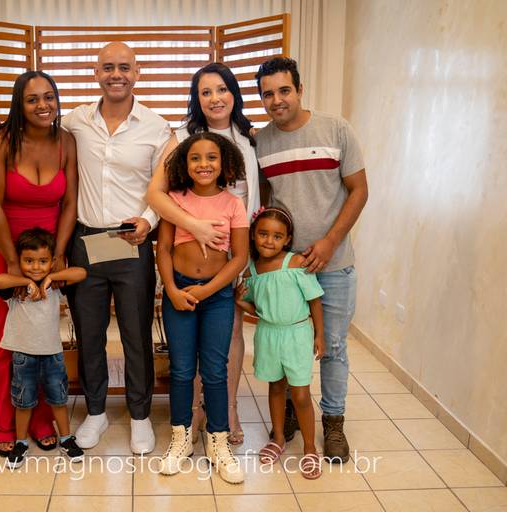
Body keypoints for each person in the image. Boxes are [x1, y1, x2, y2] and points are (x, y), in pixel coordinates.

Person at [0, 43, 171, 454]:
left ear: (137, 72)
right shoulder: (75, 122)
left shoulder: (157, 127)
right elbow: (28, 121)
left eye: (124, 67)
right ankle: (95, 412)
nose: (116, 74)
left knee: (136, 333)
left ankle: (139, 416)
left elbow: (165, 186)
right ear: (95, 73)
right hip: (85, 241)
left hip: (129, 241)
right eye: (108, 67)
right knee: (88, 333)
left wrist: (149, 221)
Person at [254, 57, 368, 463]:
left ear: (300, 90)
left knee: (331, 346)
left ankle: (333, 422)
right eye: (268, 94)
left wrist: (330, 242)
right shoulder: (260, 142)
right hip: (285, 270)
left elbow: (359, 190)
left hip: (332, 265)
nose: (277, 100)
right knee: (286, 343)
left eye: (284, 90)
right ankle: (288, 409)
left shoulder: (336, 129)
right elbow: (263, 204)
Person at [145, 62, 261, 445]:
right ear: (196, 99)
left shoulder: (250, 138)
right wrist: (194, 226)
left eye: (222, 89)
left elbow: (253, 197)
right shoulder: (182, 137)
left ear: (234, 94)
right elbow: (156, 193)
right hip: (188, 250)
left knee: (229, 335)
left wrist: (245, 259)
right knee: (191, 344)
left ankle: (228, 408)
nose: (215, 98)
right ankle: (193, 412)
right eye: (205, 92)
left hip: (234, 249)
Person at [0, 70, 78, 457]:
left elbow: (69, 203)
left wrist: (58, 254)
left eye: (49, 97)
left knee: (42, 335)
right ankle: (4, 423)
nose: (43, 105)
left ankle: (39, 420)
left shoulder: (66, 141)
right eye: (32, 99)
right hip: (4, 248)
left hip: (46, 251)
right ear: (18, 104)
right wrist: (12, 264)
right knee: (8, 337)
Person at [155, 132, 249, 484]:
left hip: (217, 297)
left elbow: (239, 257)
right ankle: (181, 438)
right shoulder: (174, 200)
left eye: (211, 157)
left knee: (214, 371)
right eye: (195, 157)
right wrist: (172, 290)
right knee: (181, 370)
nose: (203, 164)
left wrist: (207, 290)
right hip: (178, 293)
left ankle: (218, 442)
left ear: (224, 163)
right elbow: (164, 249)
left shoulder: (233, 204)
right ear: (185, 164)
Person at [234, 207, 324, 479]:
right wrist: (241, 302)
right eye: (263, 234)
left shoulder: (296, 264)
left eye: (277, 236)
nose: (269, 241)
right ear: (253, 235)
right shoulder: (251, 270)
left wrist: (319, 334)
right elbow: (259, 308)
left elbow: (314, 300)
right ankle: (279, 440)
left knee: (300, 394)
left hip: (296, 335)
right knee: (275, 387)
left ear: (287, 239)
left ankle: (310, 449)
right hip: (268, 334)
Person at [0, 228, 87, 467]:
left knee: (58, 399)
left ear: (52, 261)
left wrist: (51, 277)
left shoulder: (53, 286)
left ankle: (66, 438)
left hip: (53, 355)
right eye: (29, 261)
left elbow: (81, 272)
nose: (36, 267)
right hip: (23, 357)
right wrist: (26, 281)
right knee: (23, 402)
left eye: (43, 261)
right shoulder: (16, 289)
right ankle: (21, 442)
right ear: (19, 260)